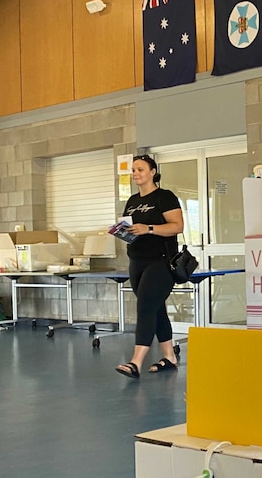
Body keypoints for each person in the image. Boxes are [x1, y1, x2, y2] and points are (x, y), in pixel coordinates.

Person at [115, 154, 184, 379]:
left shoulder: (165, 197)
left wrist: (149, 229)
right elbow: (132, 230)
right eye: (133, 170)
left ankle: (135, 362)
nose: (135, 173)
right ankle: (170, 357)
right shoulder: (132, 201)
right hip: (137, 261)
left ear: (153, 172)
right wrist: (124, 232)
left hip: (161, 261)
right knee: (155, 308)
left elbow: (177, 226)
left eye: (140, 169)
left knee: (145, 306)